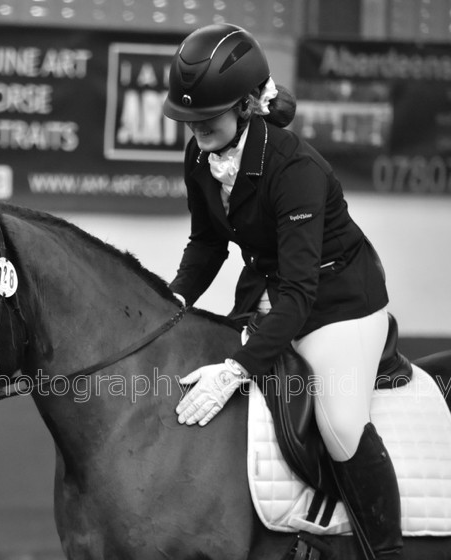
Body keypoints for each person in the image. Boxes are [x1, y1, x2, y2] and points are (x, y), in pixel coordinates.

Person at [164, 23, 402, 559]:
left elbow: (300, 291)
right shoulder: (201, 158)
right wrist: (173, 300)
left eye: (207, 116)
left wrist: (236, 369)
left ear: (247, 105)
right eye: (189, 118)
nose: (197, 127)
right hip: (273, 291)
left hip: (340, 302)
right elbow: (207, 245)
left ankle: (386, 550)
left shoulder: (294, 167)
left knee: (339, 424)